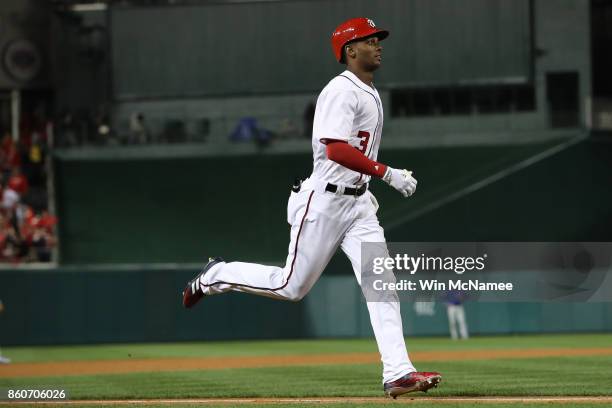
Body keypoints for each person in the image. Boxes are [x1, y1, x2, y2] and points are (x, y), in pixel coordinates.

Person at [182, 17, 441, 398]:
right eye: (370, 40)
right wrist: (387, 173)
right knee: (291, 287)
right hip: (325, 201)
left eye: (378, 39)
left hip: (359, 205)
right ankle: (216, 275)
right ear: (350, 51)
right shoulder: (341, 89)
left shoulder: (368, 90)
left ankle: (398, 372)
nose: (378, 45)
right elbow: (334, 147)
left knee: (381, 284)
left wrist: (375, 181)